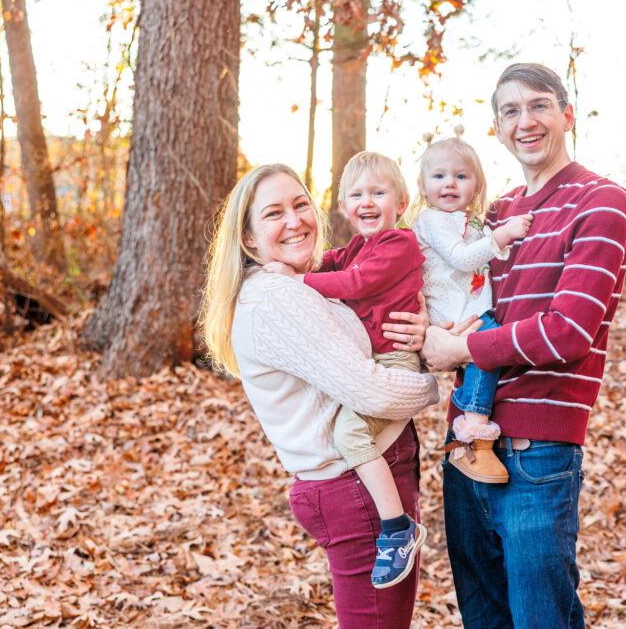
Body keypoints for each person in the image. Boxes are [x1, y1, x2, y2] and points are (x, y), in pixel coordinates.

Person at [422, 63, 626, 628]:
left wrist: (462, 350)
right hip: (465, 445)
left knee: (542, 620)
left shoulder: (602, 202)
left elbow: (569, 331)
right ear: (497, 129)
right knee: (484, 618)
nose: (526, 121)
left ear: (567, 115)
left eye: (539, 105)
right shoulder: (495, 215)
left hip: (536, 450)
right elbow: (443, 290)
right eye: (510, 111)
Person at [200, 163, 439, 628]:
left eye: (300, 204)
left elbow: (373, 326)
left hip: (365, 480)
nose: (294, 221)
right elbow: (371, 390)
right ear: (249, 239)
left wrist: (417, 330)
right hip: (356, 491)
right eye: (273, 213)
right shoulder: (278, 296)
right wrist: (433, 377)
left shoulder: (303, 282)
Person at [264, 151, 427, 589]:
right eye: (356, 194)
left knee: (349, 434)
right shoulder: (358, 246)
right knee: (349, 428)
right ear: (343, 206)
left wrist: (297, 280)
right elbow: (331, 262)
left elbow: (357, 283)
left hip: (395, 356)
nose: (366, 201)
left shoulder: (398, 244)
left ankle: (397, 527)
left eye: (378, 192)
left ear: (402, 201)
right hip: (373, 360)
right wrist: (282, 266)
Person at [410, 128, 532, 483]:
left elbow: (487, 262)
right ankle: (475, 431)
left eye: (461, 176)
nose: (450, 183)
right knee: (488, 343)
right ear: (423, 186)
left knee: (487, 346)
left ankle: (469, 426)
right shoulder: (432, 220)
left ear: (475, 187)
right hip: (450, 312)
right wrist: (504, 234)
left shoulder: (472, 220)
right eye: (439, 176)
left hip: (470, 308)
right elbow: (462, 259)